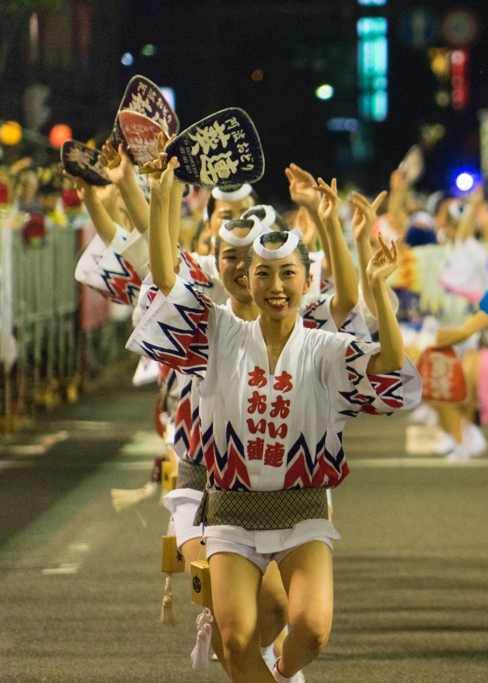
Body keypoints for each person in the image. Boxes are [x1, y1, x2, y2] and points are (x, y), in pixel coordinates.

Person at [128, 152, 419, 683]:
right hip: (229, 506)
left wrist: (378, 288)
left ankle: (284, 673)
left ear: (309, 283)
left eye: (288, 274)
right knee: (236, 640)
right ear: (245, 277)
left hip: (302, 507)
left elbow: (390, 365)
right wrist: (161, 194)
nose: (274, 284)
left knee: (308, 630)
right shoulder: (218, 331)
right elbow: (166, 278)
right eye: (263, 272)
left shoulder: (327, 348)